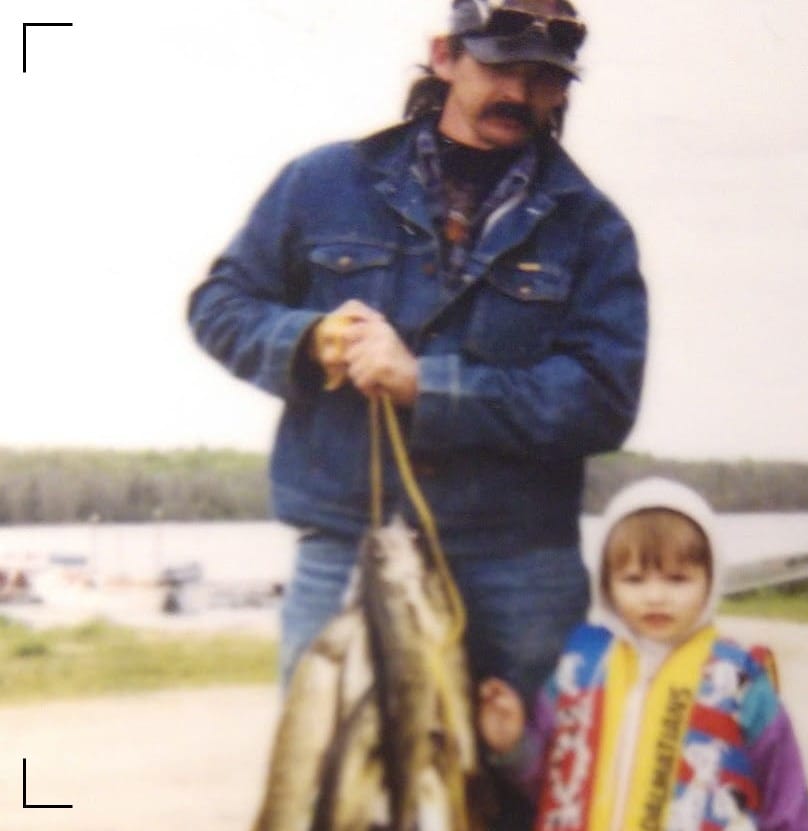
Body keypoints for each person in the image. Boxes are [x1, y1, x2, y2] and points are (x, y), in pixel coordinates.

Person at [187, 1, 646, 826]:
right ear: (444, 56)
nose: (522, 90)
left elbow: (603, 400)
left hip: (519, 566)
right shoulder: (320, 183)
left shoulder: (594, 229)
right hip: (344, 546)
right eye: (501, 65)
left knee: (519, 792)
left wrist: (426, 385)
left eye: (542, 77)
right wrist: (304, 340)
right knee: (328, 792)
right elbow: (219, 305)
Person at [478, 477, 808, 831]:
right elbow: (552, 785)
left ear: (710, 580)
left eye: (677, 579)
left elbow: (786, 799)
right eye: (634, 580)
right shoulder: (578, 671)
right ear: (607, 584)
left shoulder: (741, 681)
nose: (655, 596)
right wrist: (514, 746)